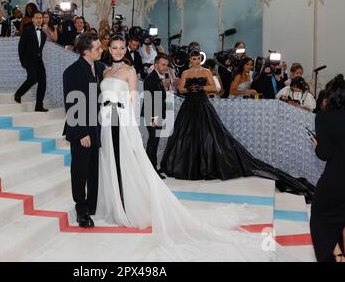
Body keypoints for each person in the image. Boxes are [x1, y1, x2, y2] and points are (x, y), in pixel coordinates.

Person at [95, 37, 276, 261]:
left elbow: (132, 101)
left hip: (122, 121)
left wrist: (132, 130)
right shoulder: (104, 72)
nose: (118, 51)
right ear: (108, 49)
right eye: (114, 47)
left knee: (126, 162)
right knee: (110, 161)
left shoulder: (130, 71)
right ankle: (114, 204)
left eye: (122, 48)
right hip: (105, 121)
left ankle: (127, 206)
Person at [159, 50, 315, 202]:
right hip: (189, 106)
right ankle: (187, 165)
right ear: (189, 60)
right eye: (193, 59)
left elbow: (214, 88)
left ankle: (204, 165)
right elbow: (180, 89)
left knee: (209, 136)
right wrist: (189, 90)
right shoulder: (186, 73)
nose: (196, 61)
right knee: (186, 136)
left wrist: (200, 88)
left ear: (200, 59)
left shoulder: (206, 71)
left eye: (198, 58)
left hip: (202, 104)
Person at [63, 33, 104, 228]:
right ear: (87, 51)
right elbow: (72, 105)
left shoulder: (100, 67)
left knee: (94, 170)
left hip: (97, 127)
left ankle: (92, 205)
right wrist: (82, 132)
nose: (101, 50)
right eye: (98, 48)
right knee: (80, 171)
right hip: (82, 129)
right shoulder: (72, 72)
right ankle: (81, 209)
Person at [310, 74, 345, 262]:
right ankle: (339, 253)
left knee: (320, 220)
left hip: (335, 181)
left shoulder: (325, 117)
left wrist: (317, 144)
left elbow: (324, 153)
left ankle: (335, 256)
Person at [14, 11, 48, 112]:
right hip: (29, 60)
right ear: (33, 19)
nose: (39, 20)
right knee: (33, 79)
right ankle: (18, 93)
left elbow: (39, 49)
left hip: (39, 61)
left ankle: (39, 105)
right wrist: (22, 62)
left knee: (43, 82)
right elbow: (21, 47)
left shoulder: (43, 34)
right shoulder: (27, 31)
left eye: (40, 18)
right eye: (37, 18)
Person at [141, 53, 169, 179]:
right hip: (152, 114)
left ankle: (150, 168)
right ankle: (152, 169)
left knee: (153, 141)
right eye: (163, 65)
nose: (165, 68)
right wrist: (153, 117)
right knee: (153, 142)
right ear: (156, 64)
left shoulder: (158, 77)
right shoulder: (151, 78)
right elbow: (150, 99)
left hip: (155, 113)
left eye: (166, 65)